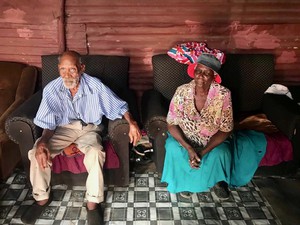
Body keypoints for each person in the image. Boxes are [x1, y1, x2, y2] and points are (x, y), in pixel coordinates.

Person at [21, 50, 141, 225]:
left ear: (81, 68)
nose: (67, 74)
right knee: (35, 153)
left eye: (72, 69)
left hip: (89, 128)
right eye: (63, 69)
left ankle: (93, 203)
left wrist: (132, 123)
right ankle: (41, 198)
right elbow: (48, 123)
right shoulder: (52, 89)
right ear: (58, 69)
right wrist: (43, 142)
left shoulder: (95, 86)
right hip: (63, 129)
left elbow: (118, 106)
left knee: (95, 152)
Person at [161, 53, 267, 200]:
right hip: (186, 138)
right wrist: (189, 148)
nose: (200, 76)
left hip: (211, 140)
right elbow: (171, 123)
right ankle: (186, 183)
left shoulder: (223, 95)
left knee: (221, 152)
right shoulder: (182, 91)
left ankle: (218, 182)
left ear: (214, 76)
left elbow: (226, 129)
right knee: (173, 148)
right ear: (194, 71)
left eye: (206, 73)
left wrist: (203, 151)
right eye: (198, 71)